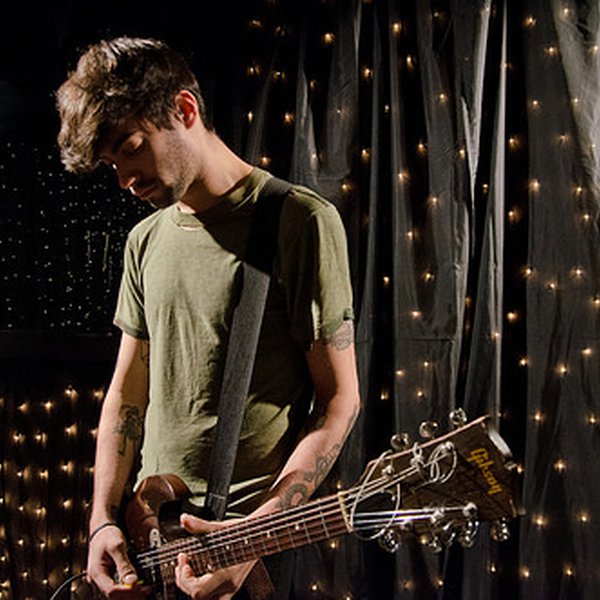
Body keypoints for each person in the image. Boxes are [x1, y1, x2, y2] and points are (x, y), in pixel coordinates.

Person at [56, 37, 360, 599]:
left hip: (246, 551)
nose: (125, 179)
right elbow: (127, 391)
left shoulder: (298, 221)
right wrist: (102, 518)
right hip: (149, 542)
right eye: (112, 165)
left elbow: (339, 401)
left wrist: (256, 535)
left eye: (131, 148)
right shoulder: (145, 240)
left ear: (185, 109)